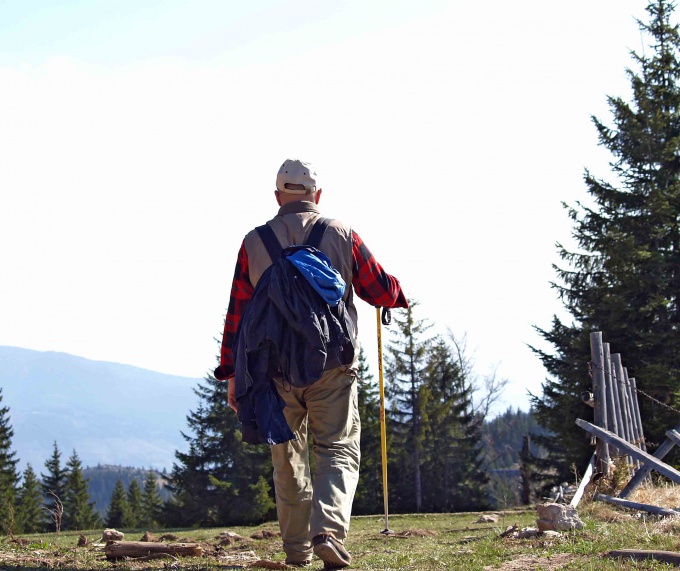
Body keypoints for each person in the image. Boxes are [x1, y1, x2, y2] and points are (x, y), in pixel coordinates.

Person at [217, 158, 407, 568]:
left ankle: (296, 552)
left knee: (287, 460)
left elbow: (238, 314)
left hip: (273, 373)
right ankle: (329, 532)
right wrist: (397, 296)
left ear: (277, 196)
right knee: (337, 449)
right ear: (317, 196)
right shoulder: (341, 234)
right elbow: (379, 288)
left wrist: (232, 374)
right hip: (332, 367)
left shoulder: (254, 242)